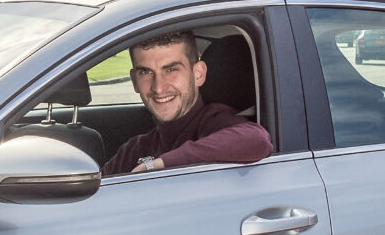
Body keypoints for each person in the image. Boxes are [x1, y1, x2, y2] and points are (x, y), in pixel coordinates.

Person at [103, 30, 273, 176]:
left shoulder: (216, 122)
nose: (159, 88)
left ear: (198, 74)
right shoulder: (134, 149)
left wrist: (158, 165)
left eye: (171, 70)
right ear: (134, 81)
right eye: (146, 72)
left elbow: (257, 140)